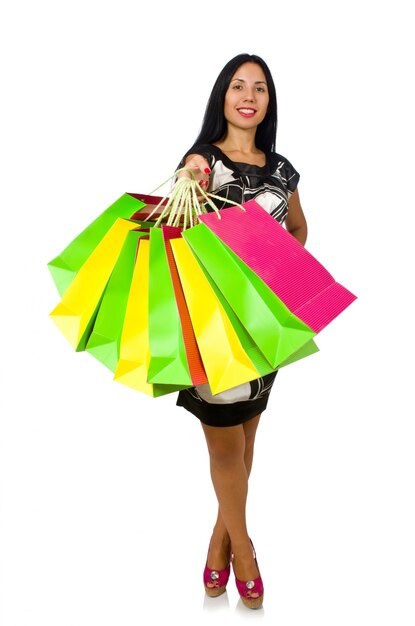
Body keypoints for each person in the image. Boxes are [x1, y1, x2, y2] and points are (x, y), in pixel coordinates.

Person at [176, 53, 307, 609]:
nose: (248, 95)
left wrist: (280, 263)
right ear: (222, 97)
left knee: (249, 439)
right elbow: (190, 181)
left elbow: (298, 228)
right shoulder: (205, 159)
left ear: (268, 102)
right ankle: (246, 552)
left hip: (263, 323)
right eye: (237, 86)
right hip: (213, 324)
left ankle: (217, 542)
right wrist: (189, 177)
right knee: (226, 444)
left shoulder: (280, 169)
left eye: (259, 88)